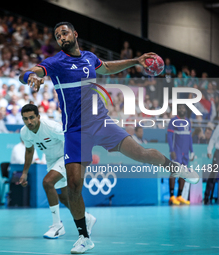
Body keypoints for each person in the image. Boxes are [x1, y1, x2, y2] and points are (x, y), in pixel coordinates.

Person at [19, 22, 199, 253]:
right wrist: (29, 77)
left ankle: (176, 167)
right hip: (75, 130)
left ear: (75, 34)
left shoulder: (89, 57)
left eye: (64, 32)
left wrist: (135, 61)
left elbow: (106, 67)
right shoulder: (56, 62)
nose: (61, 37)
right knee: (74, 185)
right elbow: (28, 73)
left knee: (141, 153)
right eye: (57, 35)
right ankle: (84, 236)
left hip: (100, 121)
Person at [18, 104, 96, 239]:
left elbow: (71, 140)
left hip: (65, 157)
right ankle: (86, 218)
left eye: (32, 118)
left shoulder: (51, 127)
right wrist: (24, 173)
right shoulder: (24, 132)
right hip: (51, 160)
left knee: (47, 182)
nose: (29, 122)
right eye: (25, 119)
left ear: (38, 117)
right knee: (65, 198)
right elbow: (29, 151)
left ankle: (57, 225)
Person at [167, 105, 194, 205]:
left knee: (183, 174)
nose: (182, 110)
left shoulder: (188, 121)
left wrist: (192, 151)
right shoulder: (173, 120)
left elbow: (190, 137)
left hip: (185, 153)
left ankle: (179, 196)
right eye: (180, 108)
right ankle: (171, 196)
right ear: (177, 110)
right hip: (176, 151)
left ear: (186, 110)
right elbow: (169, 137)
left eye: (184, 108)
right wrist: (171, 150)